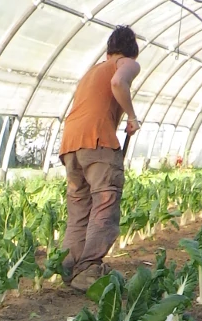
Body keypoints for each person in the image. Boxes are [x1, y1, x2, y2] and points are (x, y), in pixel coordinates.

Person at [58, 25, 141, 290]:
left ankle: (68, 265)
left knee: (79, 207)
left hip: (71, 143)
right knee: (105, 203)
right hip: (97, 141)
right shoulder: (126, 64)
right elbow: (118, 83)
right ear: (132, 52)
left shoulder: (93, 71)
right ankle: (89, 270)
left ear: (108, 51)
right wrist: (132, 116)